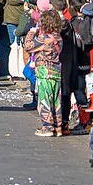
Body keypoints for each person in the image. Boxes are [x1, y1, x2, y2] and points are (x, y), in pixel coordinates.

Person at [25, 9, 63, 137]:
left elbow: (28, 47)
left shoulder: (44, 38)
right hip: (57, 71)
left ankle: (47, 127)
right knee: (56, 101)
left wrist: (31, 33)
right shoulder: (59, 37)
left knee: (44, 101)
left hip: (44, 71)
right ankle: (58, 127)